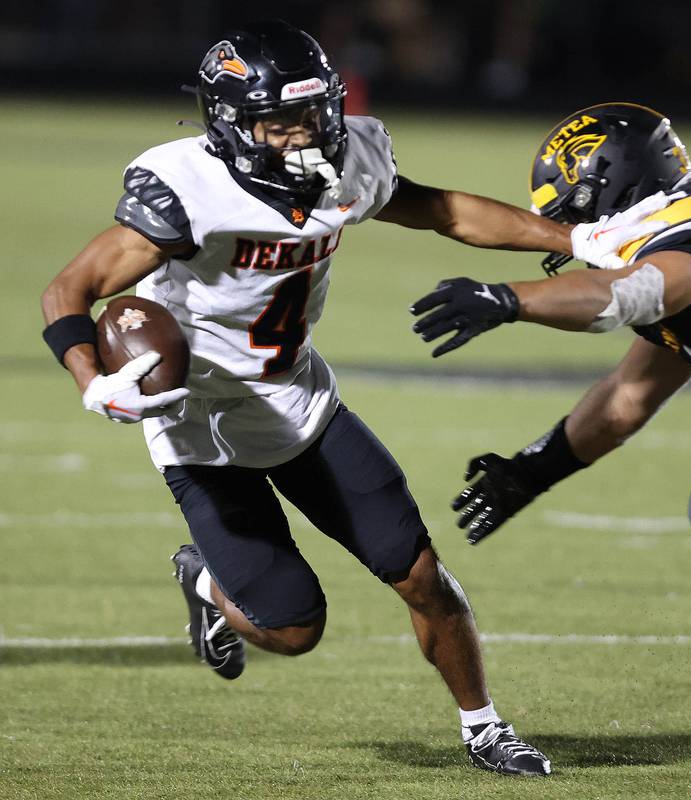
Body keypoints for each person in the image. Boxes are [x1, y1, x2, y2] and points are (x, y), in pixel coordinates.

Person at [40, 25, 658, 777]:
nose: (303, 136)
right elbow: (68, 290)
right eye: (279, 123)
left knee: (421, 575)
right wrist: (89, 379)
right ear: (230, 124)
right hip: (198, 428)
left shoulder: (352, 158)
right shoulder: (188, 189)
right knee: (294, 631)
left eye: (313, 115)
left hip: (302, 405)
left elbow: (444, 210)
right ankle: (204, 577)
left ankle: (485, 727)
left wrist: (571, 236)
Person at [410, 101, 691, 716]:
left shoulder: (688, 240)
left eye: (571, 206)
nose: (569, 229)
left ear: (608, 182)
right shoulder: (686, 220)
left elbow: (629, 293)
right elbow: (627, 397)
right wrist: (531, 472)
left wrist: (510, 299)